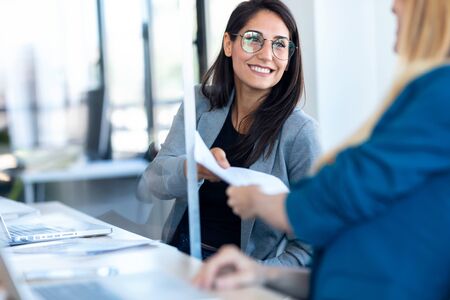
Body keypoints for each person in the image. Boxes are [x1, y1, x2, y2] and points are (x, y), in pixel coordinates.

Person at [193, 0, 450, 299]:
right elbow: (346, 262)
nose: (393, 5)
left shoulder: (441, 95)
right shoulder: (423, 96)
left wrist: (264, 203)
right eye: (253, 40)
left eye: (279, 45)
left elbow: (349, 187)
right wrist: (261, 273)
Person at [137, 0, 321, 265]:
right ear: (228, 44)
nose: (267, 54)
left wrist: (253, 276)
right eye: (253, 39)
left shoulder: (301, 133)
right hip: (177, 259)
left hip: (241, 278)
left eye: (280, 44)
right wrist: (194, 168)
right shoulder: (199, 103)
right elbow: (154, 181)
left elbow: (310, 244)